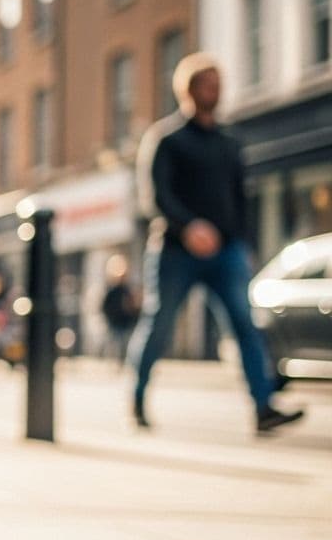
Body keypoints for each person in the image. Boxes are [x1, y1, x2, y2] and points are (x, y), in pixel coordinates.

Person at [127, 53, 303, 433]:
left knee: (245, 325)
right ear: (189, 90)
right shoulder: (166, 139)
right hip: (175, 251)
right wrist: (188, 227)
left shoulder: (230, 142)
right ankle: (138, 398)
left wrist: (242, 243)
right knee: (159, 324)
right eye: (209, 84)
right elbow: (156, 196)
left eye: (219, 84)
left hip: (225, 252)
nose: (217, 91)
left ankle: (263, 407)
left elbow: (239, 198)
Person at [99, 255, 140, 365]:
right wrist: (109, 319)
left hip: (126, 322)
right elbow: (105, 306)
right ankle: (116, 362)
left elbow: (134, 307)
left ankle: (126, 362)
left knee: (126, 343)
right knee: (116, 344)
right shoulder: (111, 291)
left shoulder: (127, 290)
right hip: (115, 322)